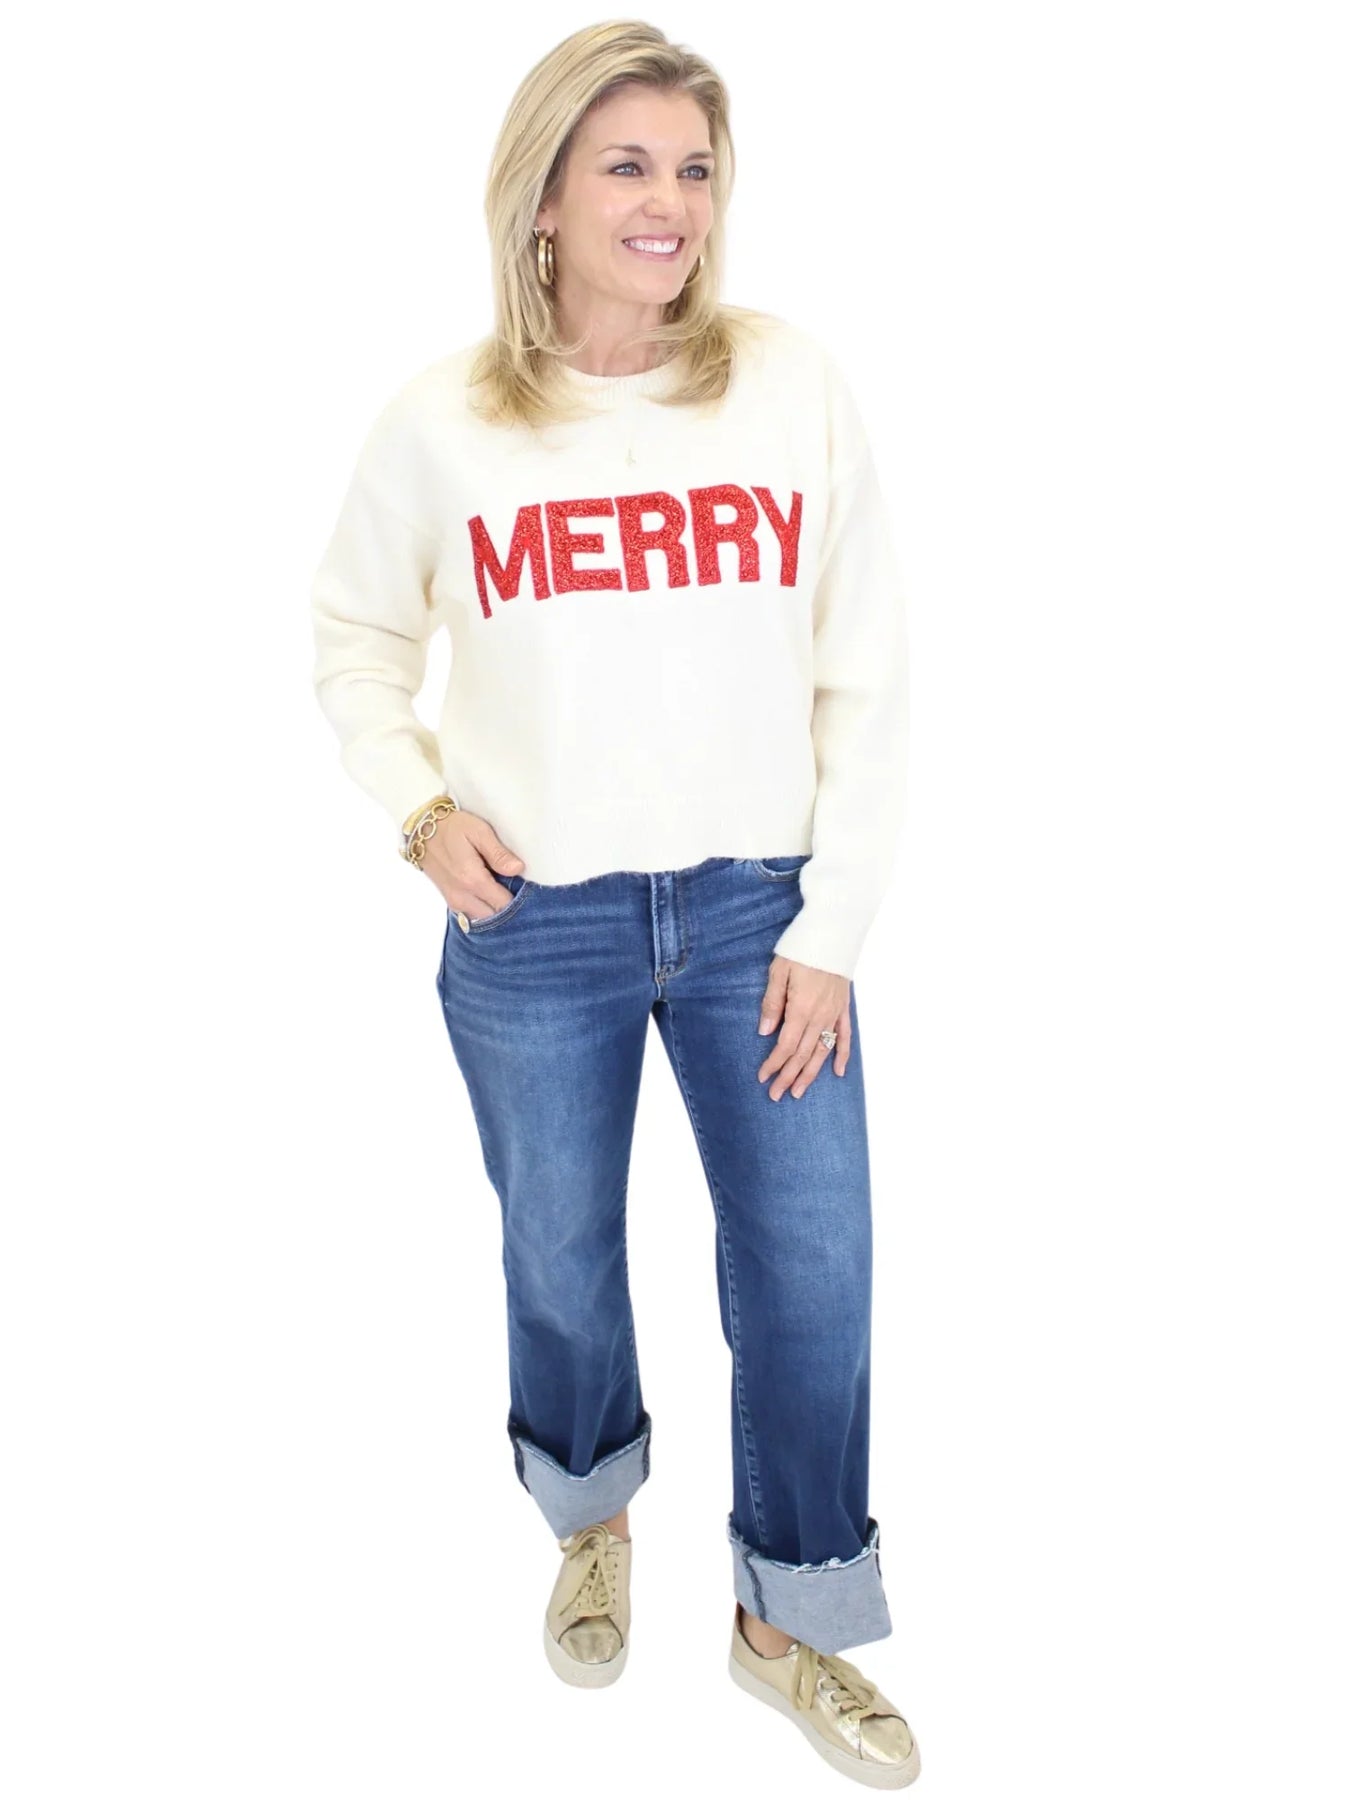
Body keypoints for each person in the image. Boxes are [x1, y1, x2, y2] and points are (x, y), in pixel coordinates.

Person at [309, 20, 918, 1790]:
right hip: (536, 928)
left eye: (695, 168)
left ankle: (790, 1616)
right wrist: (419, 810)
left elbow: (868, 673)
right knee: (559, 1251)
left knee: (813, 1273)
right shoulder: (443, 422)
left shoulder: (786, 384)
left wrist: (830, 929)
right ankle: (590, 1511)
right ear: (546, 200)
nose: (670, 203)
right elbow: (354, 636)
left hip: (757, 921)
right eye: (628, 166)